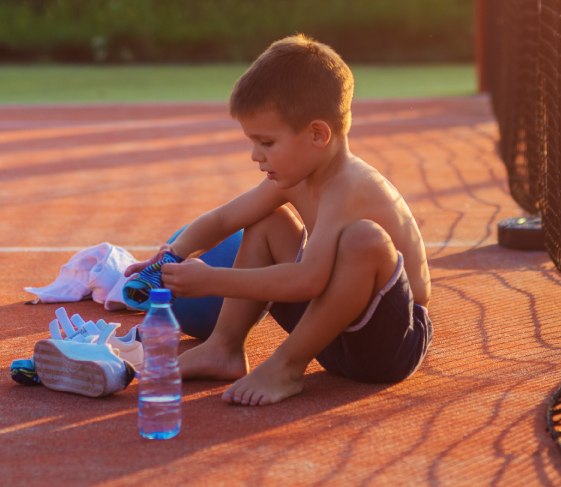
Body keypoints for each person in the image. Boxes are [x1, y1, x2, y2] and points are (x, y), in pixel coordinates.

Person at [127, 35, 432, 406]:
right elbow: (224, 218)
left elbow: (309, 280)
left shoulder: (351, 186)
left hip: (387, 344)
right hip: (328, 336)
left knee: (364, 240)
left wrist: (211, 280)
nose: (256, 155)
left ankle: (286, 366)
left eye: (267, 143)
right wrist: (171, 254)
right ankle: (223, 347)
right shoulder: (295, 178)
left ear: (318, 134)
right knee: (265, 222)